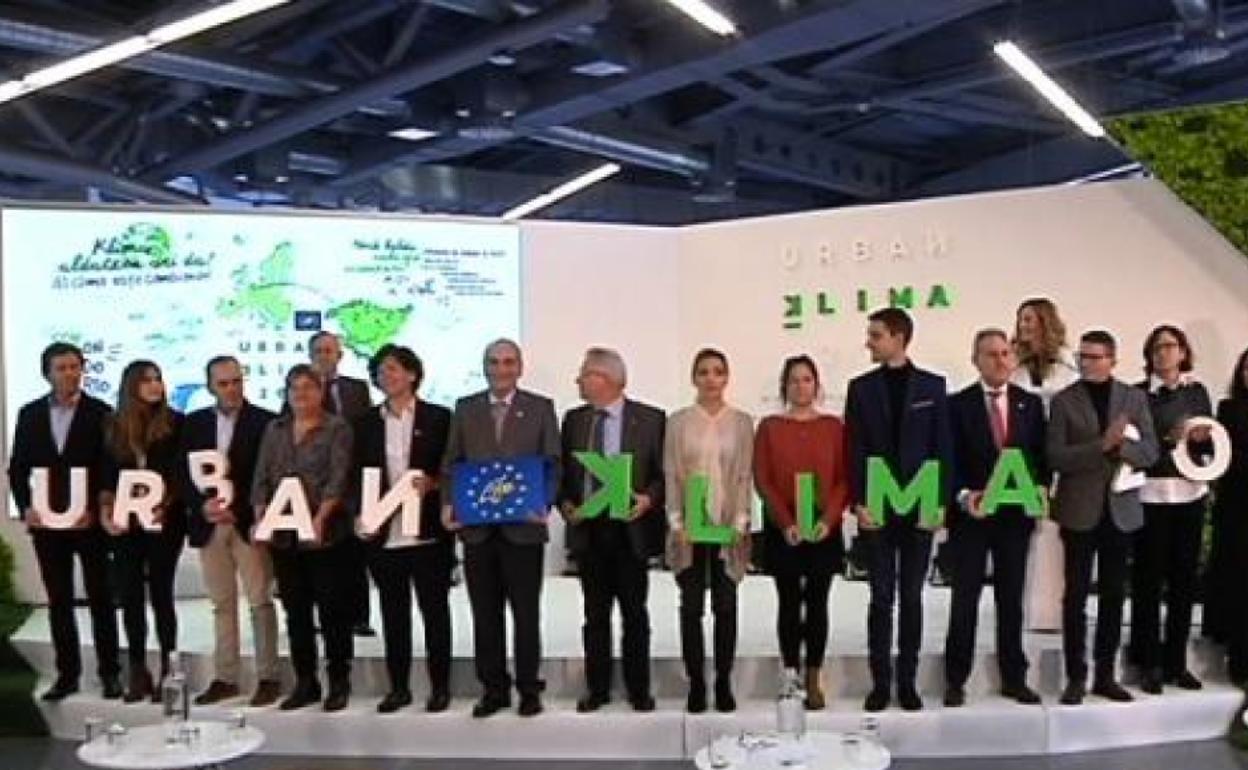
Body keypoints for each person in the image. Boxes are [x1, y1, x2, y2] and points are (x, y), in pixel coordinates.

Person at [441, 339, 560, 718]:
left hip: (523, 530)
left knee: (526, 614)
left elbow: (552, 463)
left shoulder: (540, 409)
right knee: (485, 614)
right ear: (484, 367)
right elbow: (452, 463)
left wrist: (545, 501)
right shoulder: (465, 409)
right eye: (493, 362)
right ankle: (493, 688)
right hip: (477, 531)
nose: (501, 369)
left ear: (520, 367)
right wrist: (449, 503)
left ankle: (529, 688)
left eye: (509, 362)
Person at [845, 308, 952, 712]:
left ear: (898, 337)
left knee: (911, 596)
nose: (868, 342)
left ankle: (907, 682)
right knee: (880, 597)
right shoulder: (860, 388)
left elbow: (942, 447)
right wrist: (858, 501)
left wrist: (939, 500)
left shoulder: (932, 386)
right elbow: (854, 449)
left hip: (919, 506)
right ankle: (880, 683)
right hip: (878, 505)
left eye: (875, 335)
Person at [1048, 330, 1158, 705]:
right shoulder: (1064, 401)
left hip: (1121, 510)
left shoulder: (1134, 397)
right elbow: (1056, 458)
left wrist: (1122, 446)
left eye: (1096, 357)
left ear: (1113, 359)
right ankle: (1076, 676)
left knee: (1113, 595)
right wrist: (1102, 446)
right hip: (1078, 509)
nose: (1088, 362)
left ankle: (1105, 674)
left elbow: (1150, 452)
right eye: (1084, 356)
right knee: (1075, 596)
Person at [7, 342, 121, 701]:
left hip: (89, 523)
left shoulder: (102, 413)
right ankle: (67, 674)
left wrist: (99, 504)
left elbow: (110, 466)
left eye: (75, 366)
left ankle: (110, 674)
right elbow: (17, 468)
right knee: (59, 600)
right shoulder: (29, 414)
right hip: (48, 524)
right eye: (62, 368)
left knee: (101, 597)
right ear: (48, 373)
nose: (70, 374)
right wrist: (26, 506)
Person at [943, 330, 1047, 707]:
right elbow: (946, 461)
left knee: (1010, 599)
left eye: (1006, 353)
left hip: (1014, 518)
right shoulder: (956, 406)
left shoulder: (1030, 405)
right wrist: (963, 495)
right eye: (991, 354)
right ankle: (955, 679)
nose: (1001, 360)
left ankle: (1014, 677)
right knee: (964, 600)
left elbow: (1040, 459)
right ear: (976, 360)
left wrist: (1037, 488)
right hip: (970, 518)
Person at [559, 347, 665, 714]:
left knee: (635, 613)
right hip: (590, 530)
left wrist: (649, 500)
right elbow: (563, 475)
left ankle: (639, 689)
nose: (579, 380)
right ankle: (598, 688)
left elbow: (662, 476)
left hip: (630, 531)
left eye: (585, 374)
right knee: (595, 615)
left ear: (608, 379)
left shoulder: (651, 419)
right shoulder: (574, 421)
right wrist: (566, 504)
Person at [352, 344, 453, 713]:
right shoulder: (363, 423)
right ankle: (399, 687)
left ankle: (440, 687)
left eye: (394, 369)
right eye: (381, 371)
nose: (387, 376)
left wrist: (436, 484)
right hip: (383, 533)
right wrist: (356, 516)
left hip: (426, 532)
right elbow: (353, 476)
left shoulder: (440, 417)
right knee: (394, 615)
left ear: (412, 374)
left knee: (435, 611)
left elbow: (453, 466)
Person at [252, 365, 354, 711]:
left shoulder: (337, 427)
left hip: (325, 535)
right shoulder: (274, 429)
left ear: (321, 391)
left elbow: (338, 477)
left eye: (308, 388)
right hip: (285, 537)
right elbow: (261, 478)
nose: (301, 395)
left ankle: (338, 681)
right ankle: (305, 681)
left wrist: (319, 519)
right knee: (295, 613)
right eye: (294, 388)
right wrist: (261, 518)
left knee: (332, 612)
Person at [181, 356, 280, 707]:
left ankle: (269, 676)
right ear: (210, 387)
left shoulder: (266, 421)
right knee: (221, 604)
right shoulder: (192, 424)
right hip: (209, 526)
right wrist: (200, 504)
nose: (232, 389)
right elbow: (181, 474)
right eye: (223, 383)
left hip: (247, 525)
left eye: (236, 381)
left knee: (260, 601)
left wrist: (252, 514)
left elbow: (267, 474)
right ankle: (226, 677)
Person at [753, 355, 849, 710]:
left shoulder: (834, 427)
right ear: (784, 387)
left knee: (818, 603)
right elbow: (763, 479)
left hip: (825, 527)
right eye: (793, 380)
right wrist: (786, 522)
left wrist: (830, 518)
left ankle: (814, 676)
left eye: (807, 379)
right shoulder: (769, 427)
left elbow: (844, 478)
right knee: (789, 604)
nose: (800, 386)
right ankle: (791, 673)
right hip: (785, 530)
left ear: (817, 385)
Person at [665, 348, 753, 714]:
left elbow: (745, 474)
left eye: (718, 371)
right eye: (703, 372)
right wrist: (677, 523)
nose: (710, 379)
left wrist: (740, 523)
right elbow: (671, 473)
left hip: (726, 527)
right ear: (693, 378)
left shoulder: (743, 422)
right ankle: (696, 683)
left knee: (726, 606)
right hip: (690, 528)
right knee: (690, 608)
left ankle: (723, 681)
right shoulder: (678, 421)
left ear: (727, 377)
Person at [1128, 325, 1212, 694]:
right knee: (1148, 581)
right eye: (1157, 347)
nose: (1164, 353)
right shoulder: (1136, 394)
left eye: (1170, 346)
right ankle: (1148, 661)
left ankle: (1176, 662)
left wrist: (1199, 440)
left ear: (1182, 352)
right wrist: (1168, 439)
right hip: (1151, 494)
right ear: (1149, 355)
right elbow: (1136, 446)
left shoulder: (1197, 392)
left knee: (1183, 581)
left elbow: (1210, 438)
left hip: (1190, 493)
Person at [99, 360, 186, 703]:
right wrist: (108, 510)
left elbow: (182, 471)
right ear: (131, 386)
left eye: (158, 379)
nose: (154, 385)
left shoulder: (176, 423)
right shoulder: (112, 425)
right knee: (130, 595)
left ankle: (170, 666)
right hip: (126, 522)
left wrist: (165, 501)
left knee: (162, 593)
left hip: (164, 521)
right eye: (147, 380)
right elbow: (105, 474)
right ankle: (137, 668)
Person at [1011, 298, 1079, 633]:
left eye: (1031, 319)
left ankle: (1053, 610)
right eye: (1021, 320)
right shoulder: (1012, 364)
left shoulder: (1068, 366)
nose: (1024, 326)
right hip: (1021, 457)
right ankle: (1027, 609)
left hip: (1061, 455)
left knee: (1055, 532)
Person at [307, 331, 375, 638]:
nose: (324, 356)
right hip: (316, 486)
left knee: (355, 552)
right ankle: (325, 616)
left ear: (340, 355)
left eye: (330, 351)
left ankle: (359, 617)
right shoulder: (302, 390)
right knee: (321, 556)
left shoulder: (357, 389)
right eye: (319, 351)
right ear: (311, 356)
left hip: (354, 483)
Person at [1214, 347, 1248, 685]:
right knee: (1240, 585)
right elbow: (1223, 456)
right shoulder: (1228, 409)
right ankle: (1239, 663)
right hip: (1239, 506)